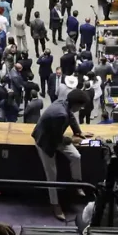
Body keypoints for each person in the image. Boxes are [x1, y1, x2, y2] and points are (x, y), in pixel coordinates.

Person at [33, 89, 93, 219]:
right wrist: (73, 139)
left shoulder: (64, 103)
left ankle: (76, 183)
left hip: (55, 135)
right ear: (76, 105)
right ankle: (55, 204)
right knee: (52, 174)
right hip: (45, 141)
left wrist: (78, 132)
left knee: (76, 156)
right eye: (81, 106)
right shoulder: (60, 114)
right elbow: (57, 139)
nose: (81, 108)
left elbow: (70, 117)